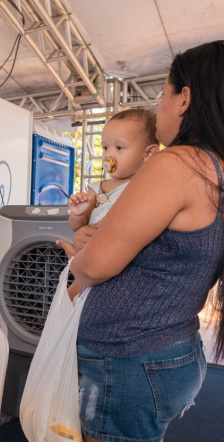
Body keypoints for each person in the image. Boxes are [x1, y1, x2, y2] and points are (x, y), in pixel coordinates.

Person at [43, 40, 224, 442]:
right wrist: (95, 240)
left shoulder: (178, 164)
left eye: (164, 93)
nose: (160, 106)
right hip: (166, 352)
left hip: (129, 360)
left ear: (185, 98)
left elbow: (98, 262)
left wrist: (81, 256)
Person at [65, 108, 159, 299]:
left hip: (120, 274)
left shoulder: (145, 188)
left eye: (119, 148)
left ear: (148, 153)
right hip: (89, 265)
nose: (109, 155)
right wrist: (78, 214)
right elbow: (78, 227)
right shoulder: (97, 187)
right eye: (105, 147)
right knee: (71, 301)